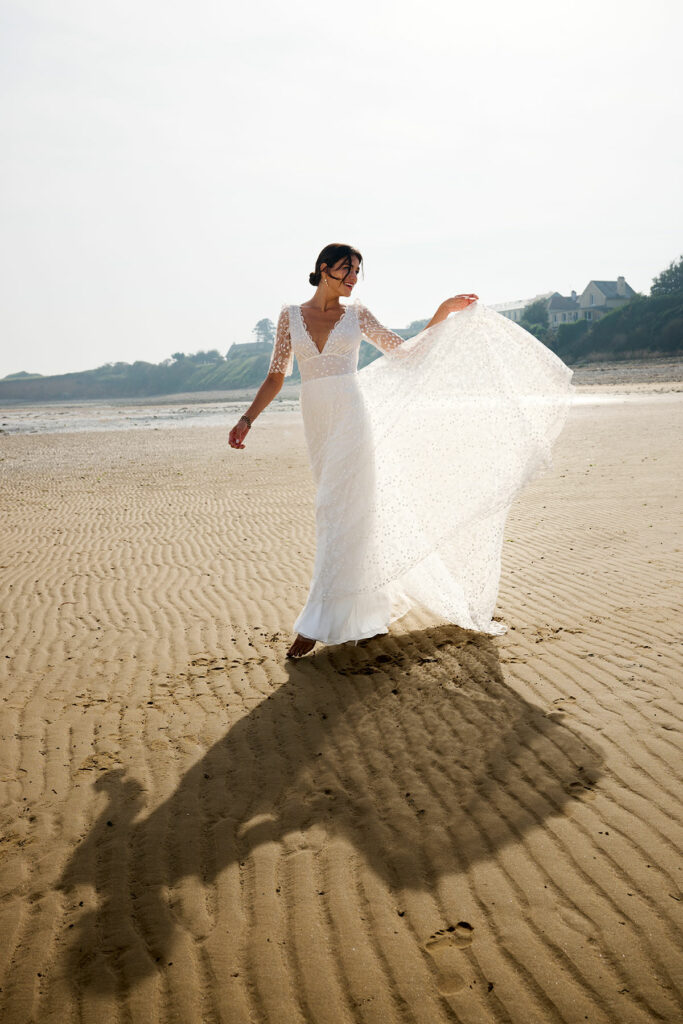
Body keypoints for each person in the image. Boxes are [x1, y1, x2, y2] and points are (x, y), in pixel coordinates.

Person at [229, 243, 574, 658]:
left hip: (352, 420)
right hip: (317, 422)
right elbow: (276, 376)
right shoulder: (289, 317)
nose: (353, 278)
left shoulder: (356, 315)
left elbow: (406, 356)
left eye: (357, 271)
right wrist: (247, 419)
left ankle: (315, 624)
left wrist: (442, 311)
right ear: (323, 269)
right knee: (346, 514)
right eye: (345, 269)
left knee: (334, 513)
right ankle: (368, 612)